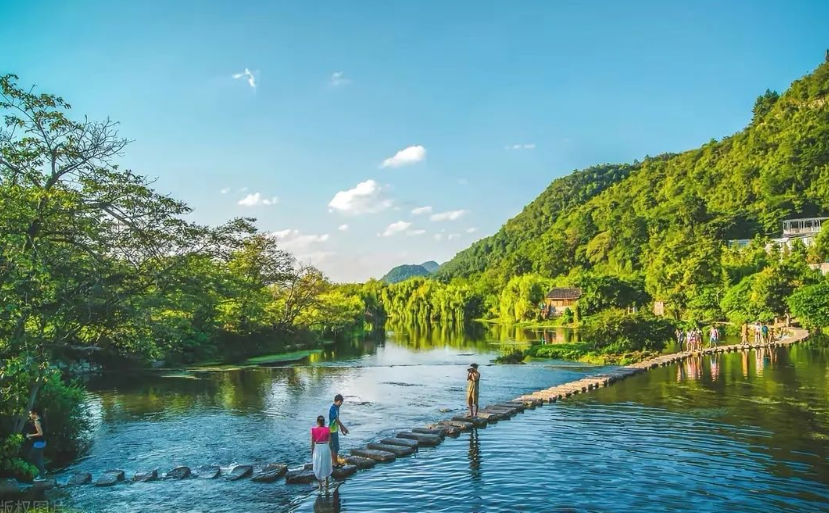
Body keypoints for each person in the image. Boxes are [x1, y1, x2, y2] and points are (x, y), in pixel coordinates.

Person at [311, 415, 333, 495]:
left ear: (317, 422)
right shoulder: (327, 429)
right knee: (326, 464)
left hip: (318, 447)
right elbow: (330, 441)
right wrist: (329, 449)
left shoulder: (313, 430)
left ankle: (320, 485)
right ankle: (326, 481)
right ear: (324, 422)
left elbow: (312, 442)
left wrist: (312, 451)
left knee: (318, 465)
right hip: (325, 447)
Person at [25, 407, 47, 482]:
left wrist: (29, 435)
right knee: (39, 459)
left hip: (39, 443)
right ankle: (42, 472)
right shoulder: (41, 419)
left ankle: (42, 476)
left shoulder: (37, 421)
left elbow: (40, 433)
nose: (30, 415)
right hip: (42, 442)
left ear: (35, 413)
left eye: (31, 413)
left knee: (32, 457)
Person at [329, 394, 349, 468]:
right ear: (337, 401)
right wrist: (343, 427)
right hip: (332, 430)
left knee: (336, 447)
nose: (340, 404)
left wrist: (341, 428)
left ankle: (335, 462)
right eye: (340, 403)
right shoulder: (333, 409)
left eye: (341, 403)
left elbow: (337, 419)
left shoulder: (337, 408)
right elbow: (336, 419)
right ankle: (334, 463)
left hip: (335, 429)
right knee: (335, 447)